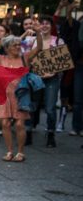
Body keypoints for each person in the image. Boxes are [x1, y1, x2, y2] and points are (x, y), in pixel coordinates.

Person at [0, 36, 40, 162]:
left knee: (20, 124)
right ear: (7, 48)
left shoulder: (24, 58)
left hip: (21, 95)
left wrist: (38, 33)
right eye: (15, 45)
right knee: (5, 124)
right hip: (5, 95)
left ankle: (20, 152)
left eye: (19, 45)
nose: (18, 47)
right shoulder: (0, 58)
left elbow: (39, 48)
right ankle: (9, 151)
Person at [29, 15, 63, 147]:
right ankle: (28, 132)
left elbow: (62, 61)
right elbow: (29, 58)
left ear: (51, 26)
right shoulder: (34, 41)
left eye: (47, 23)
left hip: (52, 79)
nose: (44, 25)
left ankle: (50, 133)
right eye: (42, 23)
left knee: (50, 108)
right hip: (36, 78)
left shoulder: (58, 41)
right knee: (33, 106)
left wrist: (53, 72)